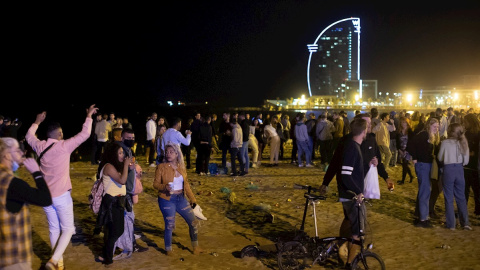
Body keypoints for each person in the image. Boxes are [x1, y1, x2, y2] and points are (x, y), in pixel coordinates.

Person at [25, 104, 98, 270]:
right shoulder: (64, 146)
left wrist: (37, 121)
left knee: (53, 228)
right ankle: (54, 260)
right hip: (61, 196)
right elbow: (85, 134)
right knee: (68, 229)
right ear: (59, 134)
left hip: (45, 196)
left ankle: (59, 262)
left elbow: (29, 136)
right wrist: (88, 116)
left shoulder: (40, 146)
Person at [0, 137, 53, 270]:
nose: (22, 153)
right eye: (17, 150)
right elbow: (45, 199)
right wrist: (36, 172)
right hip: (14, 258)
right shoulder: (13, 184)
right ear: (6, 155)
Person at [153, 142, 201, 256]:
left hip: (181, 199)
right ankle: (168, 249)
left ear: (177, 153)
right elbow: (155, 184)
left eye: (171, 152)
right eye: (167, 152)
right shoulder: (161, 167)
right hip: (166, 199)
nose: (168, 154)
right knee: (170, 225)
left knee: (193, 222)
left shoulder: (181, 168)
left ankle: (196, 247)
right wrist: (164, 187)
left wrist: (192, 199)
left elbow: (187, 185)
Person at [95, 143, 133, 266]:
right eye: (120, 153)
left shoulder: (115, 166)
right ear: (113, 154)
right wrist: (126, 165)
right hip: (112, 202)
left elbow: (124, 178)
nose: (122, 155)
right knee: (117, 230)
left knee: (112, 230)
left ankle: (104, 255)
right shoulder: (109, 167)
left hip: (117, 201)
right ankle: (107, 258)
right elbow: (122, 180)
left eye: (123, 153)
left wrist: (128, 166)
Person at [337, 118, 368, 268]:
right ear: (364, 131)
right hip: (351, 197)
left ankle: (342, 250)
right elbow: (345, 174)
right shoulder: (352, 148)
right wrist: (358, 192)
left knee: (351, 226)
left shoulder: (352, 146)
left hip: (349, 196)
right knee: (357, 232)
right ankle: (350, 264)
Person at [437, 123, 472, 230]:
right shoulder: (464, 142)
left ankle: (451, 224)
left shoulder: (445, 142)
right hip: (459, 169)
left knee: (448, 198)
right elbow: (466, 161)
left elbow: (439, 157)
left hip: (448, 169)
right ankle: (465, 223)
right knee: (461, 197)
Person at [408, 117, 440, 228]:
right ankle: (423, 219)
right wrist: (415, 158)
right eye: (434, 126)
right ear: (429, 125)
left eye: (437, 127)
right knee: (425, 191)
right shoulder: (424, 135)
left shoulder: (431, 136)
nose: (436, 129)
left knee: (424, 190)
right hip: (423, 165)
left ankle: (421, 216)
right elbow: (410, 144)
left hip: (426, 165)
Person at [463, 114, 480, 216]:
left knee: (475, 189)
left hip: (474, 166)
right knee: (466, 189)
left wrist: (470, 153)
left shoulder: (476, 134)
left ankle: (477, 209)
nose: (464, 124)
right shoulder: (466, 133)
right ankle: (465, 208)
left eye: (465, 122)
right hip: (467, 165)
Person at [396, 117, 415, 185]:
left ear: (407, 123)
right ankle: (411, 176)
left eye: (405, 122)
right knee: (405, 164)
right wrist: (399, 149)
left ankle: (403, 180)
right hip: (401, 149)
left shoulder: (410, 131)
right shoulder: (399, 131)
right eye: (402, 122)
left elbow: (412, 142)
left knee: (404, 164)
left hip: (408, 150)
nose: (403, 124)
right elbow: (397, 141)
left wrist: (406, 150)